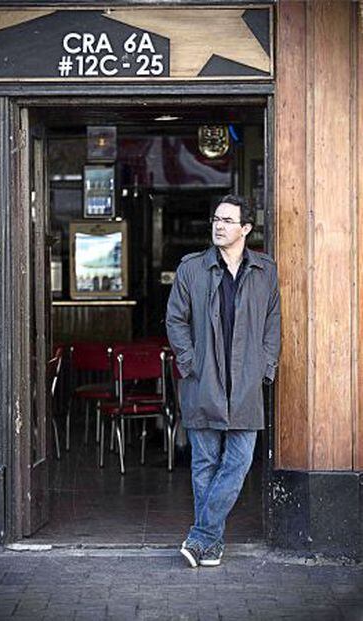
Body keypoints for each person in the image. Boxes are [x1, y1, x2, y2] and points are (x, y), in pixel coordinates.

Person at [166, 194, 281, 568]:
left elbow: (272, 325)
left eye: (228, 220)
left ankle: (201, 537)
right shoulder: (192, 269)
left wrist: (266, 367)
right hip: (203, 380)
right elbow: (175, 320)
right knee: (204, 464)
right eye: (216, 219)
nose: (219, 225)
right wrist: (189, 362)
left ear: (246, 228)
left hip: (247, 382)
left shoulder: (265, 271)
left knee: (239, 461)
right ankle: (211, 546)